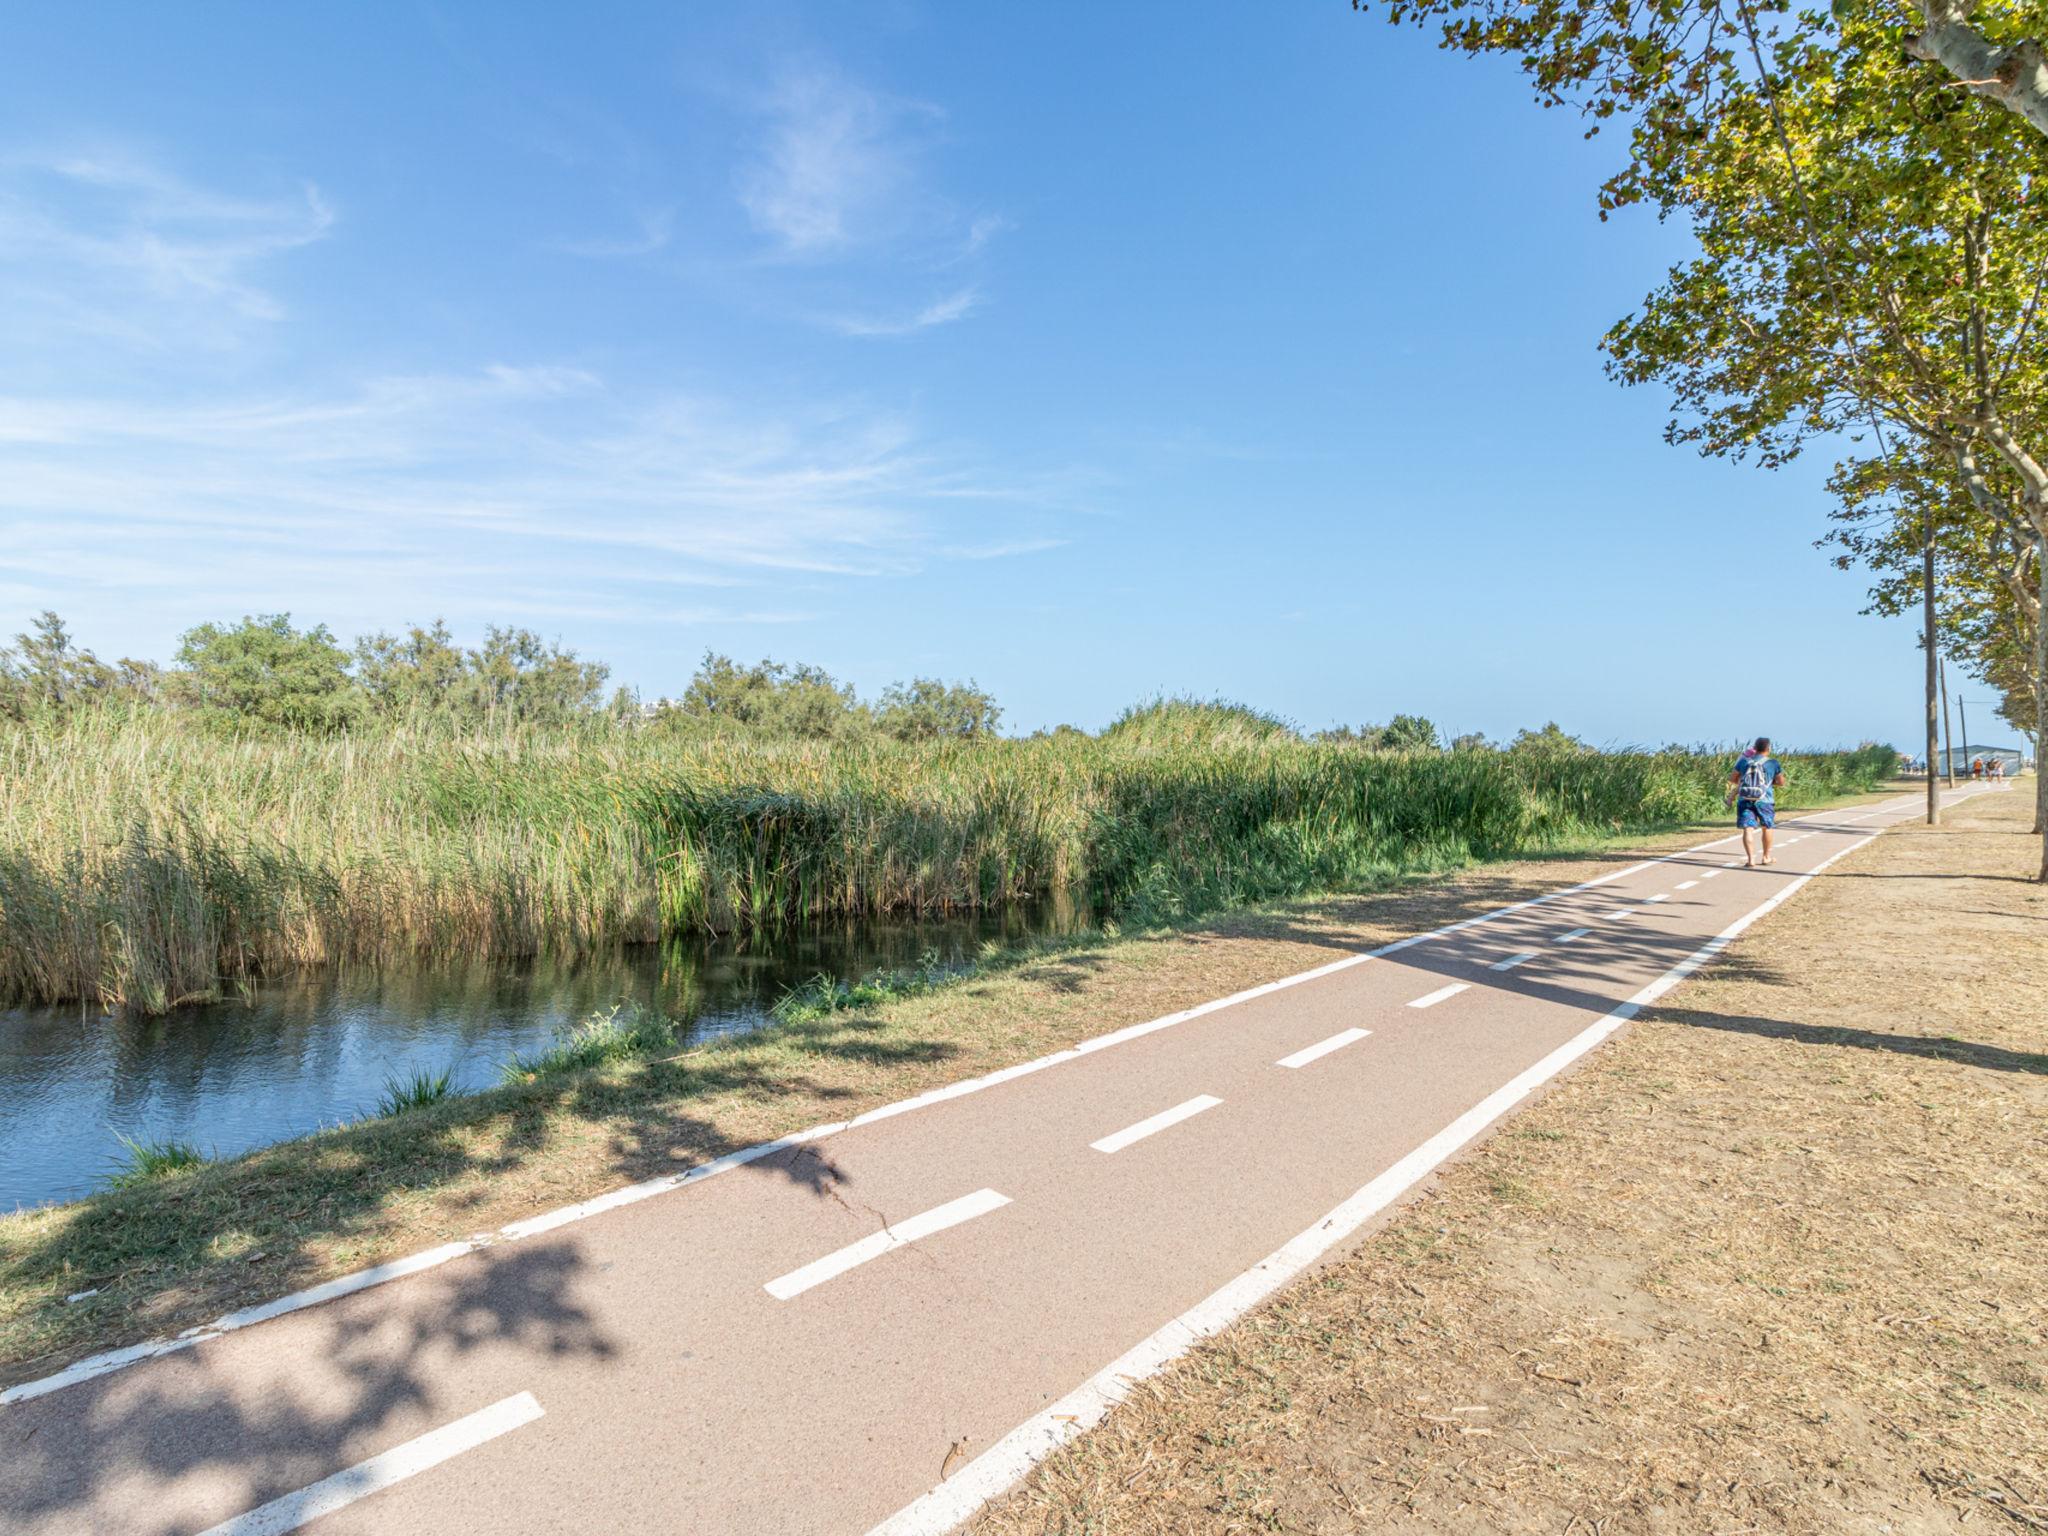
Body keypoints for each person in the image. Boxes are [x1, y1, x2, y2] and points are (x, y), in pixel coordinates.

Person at [1726, 736, 1787, 867]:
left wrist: (1745, 783)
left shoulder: (1743, 762)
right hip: (1765, 800)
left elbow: (1732, 779)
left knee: (1748, 828)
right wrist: (1768, 783)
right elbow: (1781, 782)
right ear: (1768, 748)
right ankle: (1766, 857)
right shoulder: (1773, 763)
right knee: (1767, 827)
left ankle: (1750, 860)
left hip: (1745, 799)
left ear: (1755, 748)